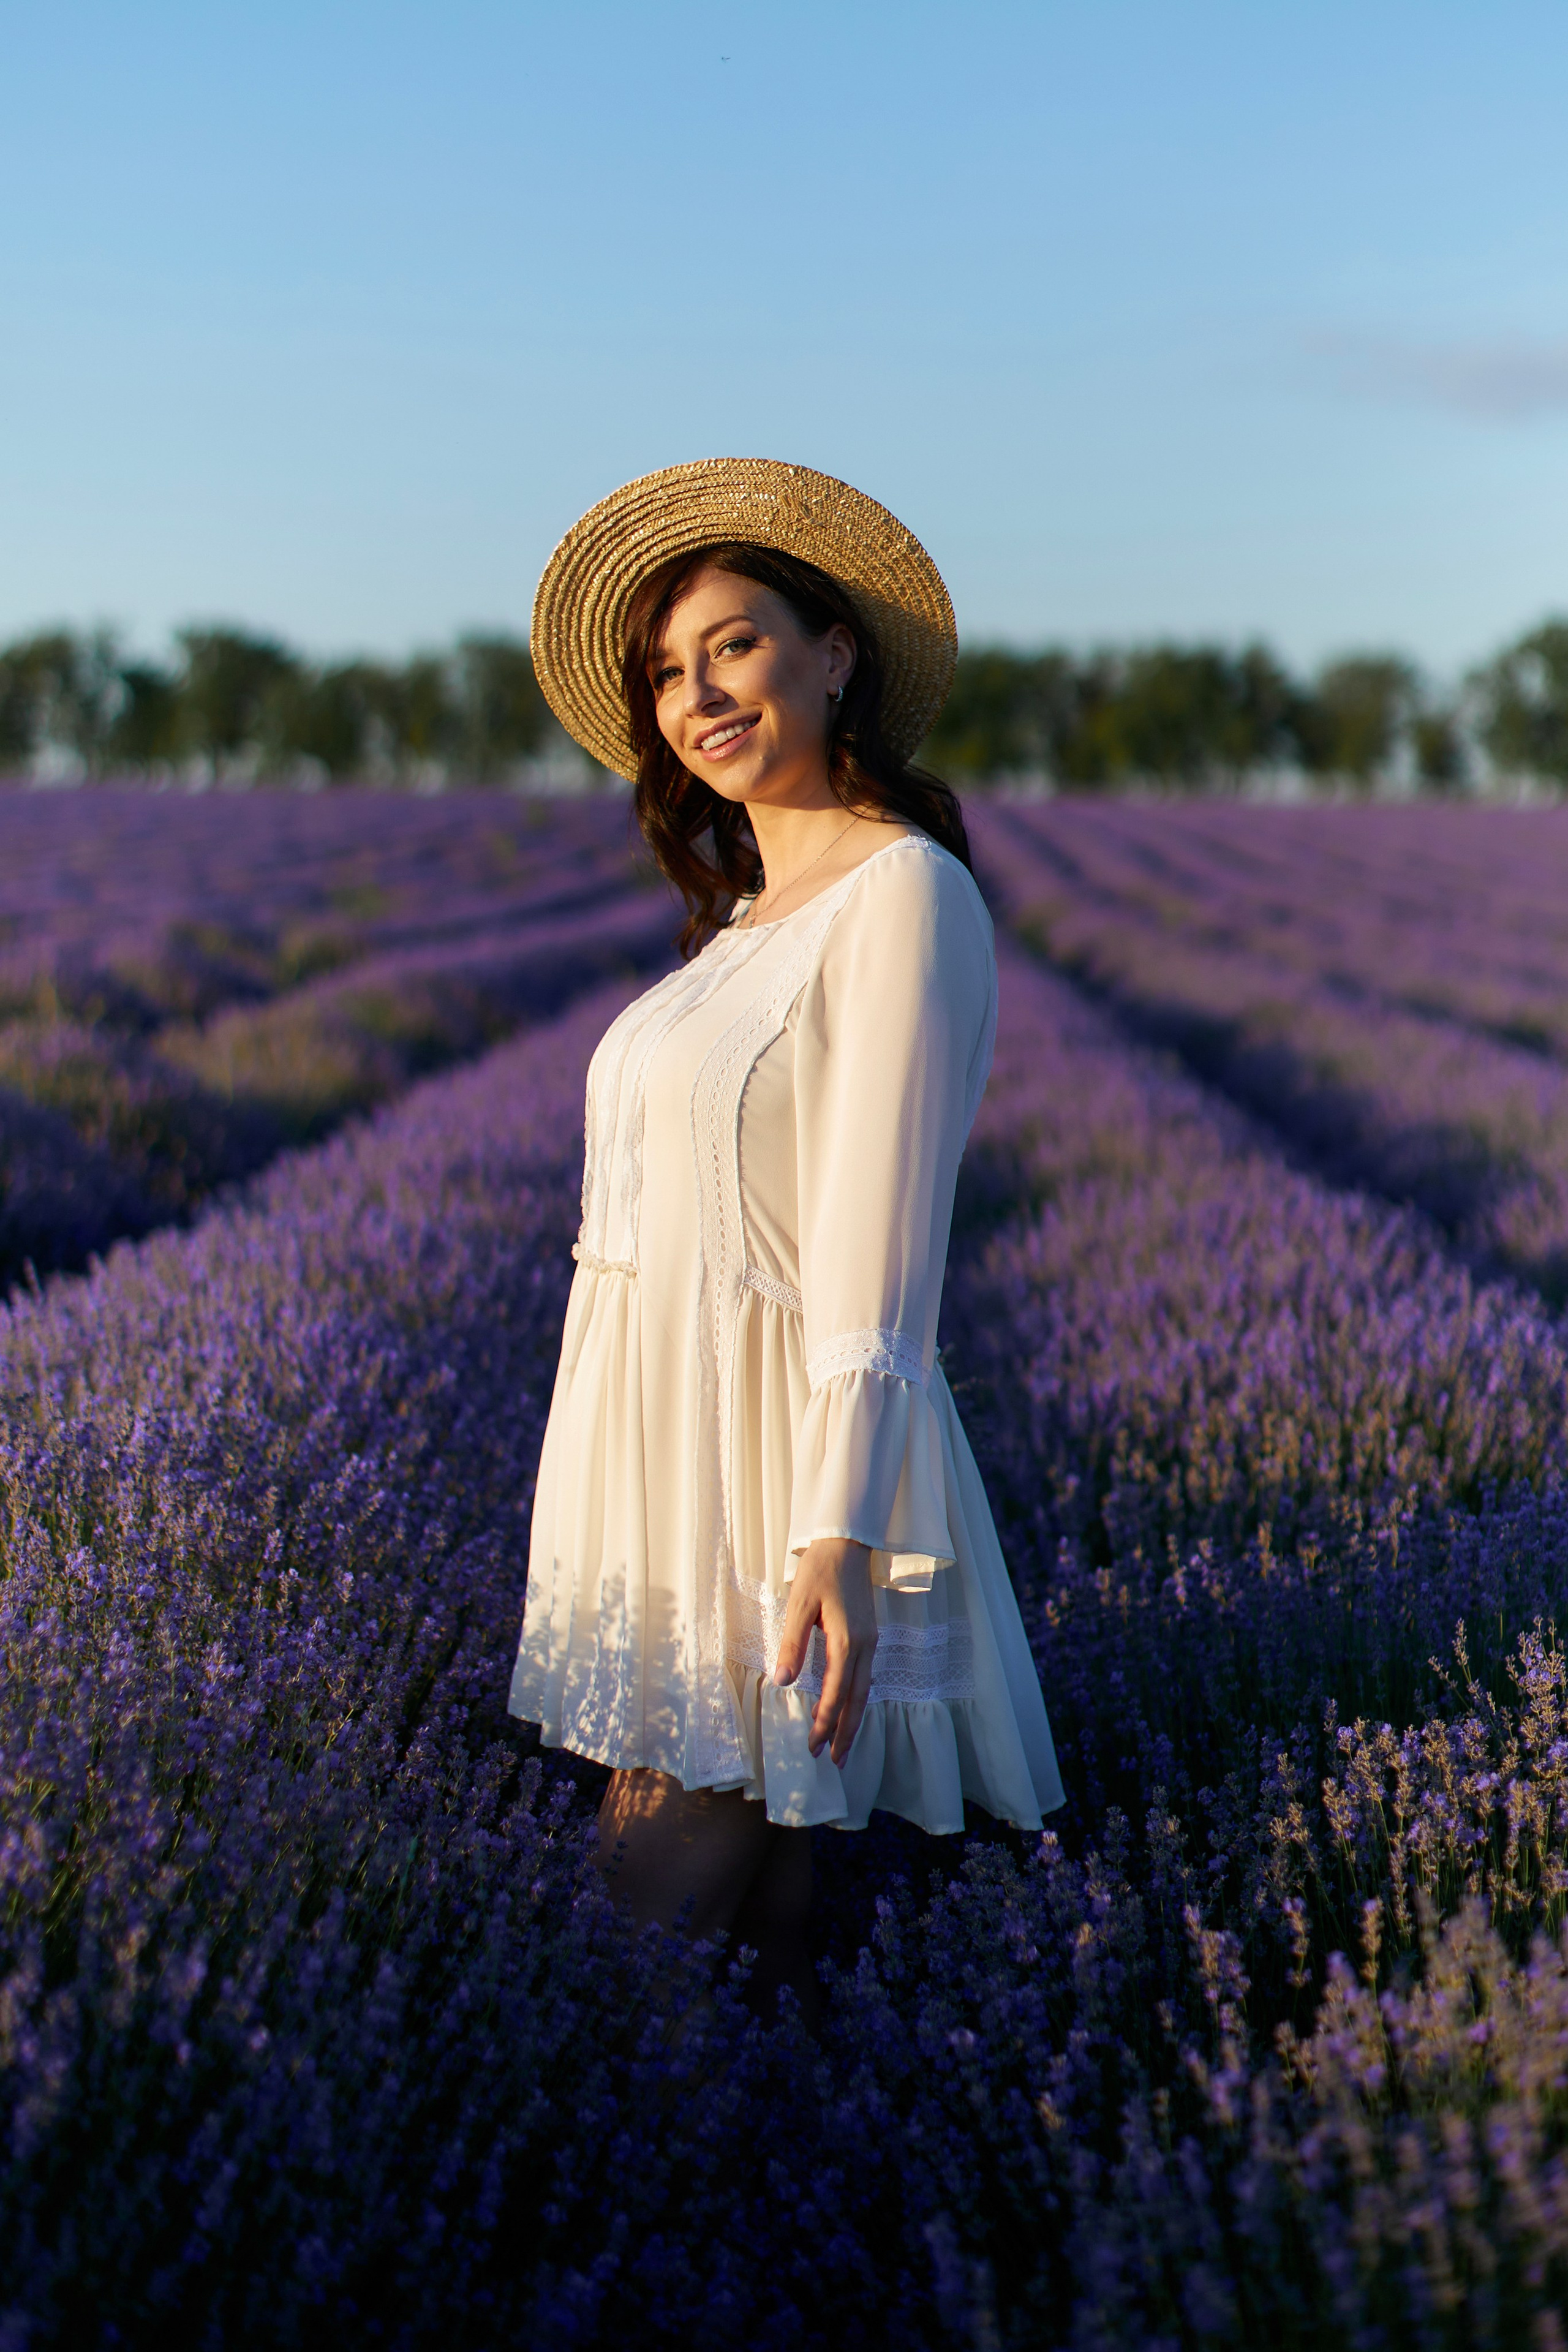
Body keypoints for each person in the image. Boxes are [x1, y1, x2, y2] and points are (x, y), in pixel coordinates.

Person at [510, 458, 1063, 2019]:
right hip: (657, 1442)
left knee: (657, 1875)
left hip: (774, 1460)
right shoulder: (739, 924)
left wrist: (833, 1532)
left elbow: (880, 1239)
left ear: (833, 653)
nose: (700, 695)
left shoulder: (899, 894)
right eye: (668, 677)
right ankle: (753, 2219)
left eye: (733, 645)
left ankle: (590, 2205)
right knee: (767, 1894)